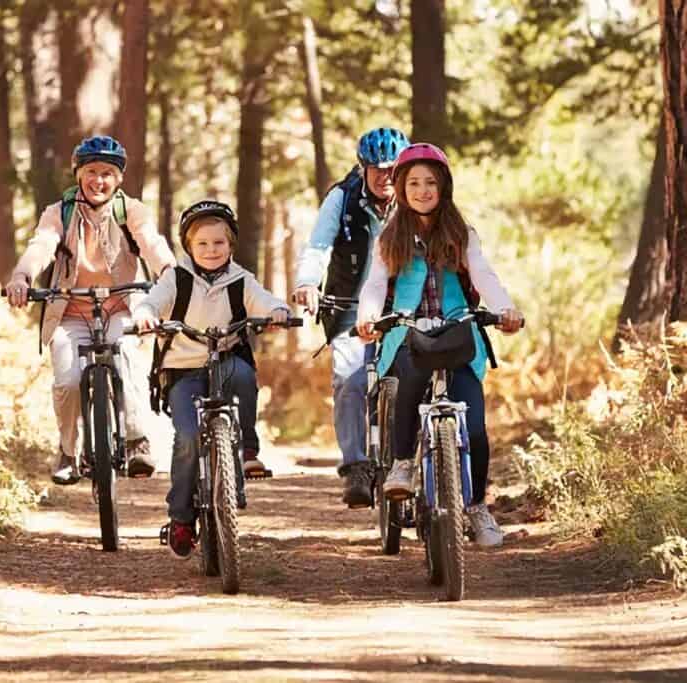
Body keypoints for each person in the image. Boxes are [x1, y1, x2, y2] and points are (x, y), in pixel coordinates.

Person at [356, 143, 524, 547]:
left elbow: (483, 275)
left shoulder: (461, 234)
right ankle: (400, 465)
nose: (422, 190)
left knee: (477, 427)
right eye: (413, 182)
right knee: (409, 381)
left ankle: (477, 507)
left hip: (456, 333)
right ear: (399, 187)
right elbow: (376, 284)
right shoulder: (389, 237)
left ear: (444, 187)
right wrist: (368, 316)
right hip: (407, 331)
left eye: (431, 182)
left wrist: (505, 310)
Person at [4, 135, 176, 485]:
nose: (99, 180)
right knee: (67, 382)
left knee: (127, 359)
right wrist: (22, 274)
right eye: (92, 171)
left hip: (121, 308)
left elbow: (153, 245)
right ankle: (69, 451)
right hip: (70, 311)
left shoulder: (131, 211)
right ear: (78, 174)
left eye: (108, 173)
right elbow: (42, 246)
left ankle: (136, 440)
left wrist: (170, 272)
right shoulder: (59, 213)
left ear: (119, 179)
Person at [133, 200, 289, 559]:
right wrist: (145, 315)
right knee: (187, 436)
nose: (211, 250)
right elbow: (152, 302)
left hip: (226, 358)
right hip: (183, 368)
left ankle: (247, 450)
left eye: (219, 243)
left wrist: (277, 311)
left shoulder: (240, 279)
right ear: (189, 246)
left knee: (245, 378)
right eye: (202, 244)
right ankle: (181, 518)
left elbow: (262, 300)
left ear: (230, 244)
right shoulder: (177, 277)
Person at [293, 127, 410, 509]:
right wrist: (309, 283)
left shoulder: (417, 198)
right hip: (348, 308)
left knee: (414, 382)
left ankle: (415, 466)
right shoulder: (341, 199)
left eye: (392, 168)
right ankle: (356, 466)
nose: (384, 177)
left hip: (403, 308)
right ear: (362, 168)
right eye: (376, 169)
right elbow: (318, 246)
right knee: (350, 379)